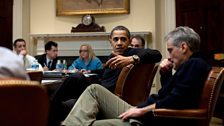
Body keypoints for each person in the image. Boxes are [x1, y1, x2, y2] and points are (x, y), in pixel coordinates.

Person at [62, 26, 212, 126]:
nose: (169, 56)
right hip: (147, 113)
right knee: (91, 98)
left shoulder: (195, 65)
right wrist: (165, 74)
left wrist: (141, 110)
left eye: (170, 50)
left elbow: (176, 100)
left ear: (184, 47)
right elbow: (171, 94)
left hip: (147, 119)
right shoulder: (193, 65)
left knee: (87, 109)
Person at [48, 25, 162, 126]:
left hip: (104, 97)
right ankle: (49, 111)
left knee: (75, 79)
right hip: (100, 88)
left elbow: (157, 54)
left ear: (129, 41)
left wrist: (132, 59)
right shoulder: (113, 57)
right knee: (63, 102)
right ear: (110, 41)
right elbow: (107, 74)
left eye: (123, 39)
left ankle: (47, 107)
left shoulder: (131, 53)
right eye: (116, 39)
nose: (119, 43)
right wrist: (91, 72)